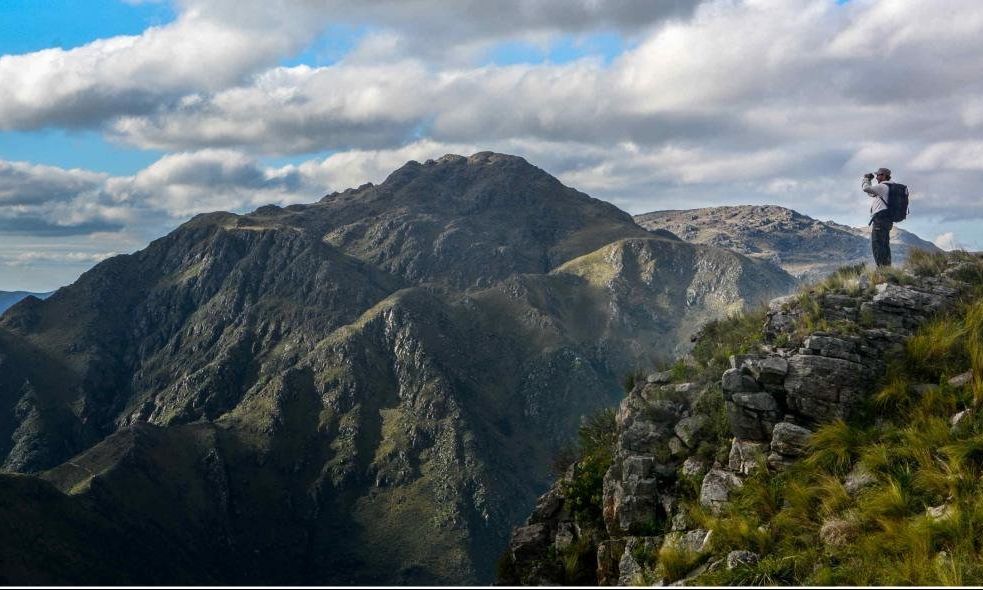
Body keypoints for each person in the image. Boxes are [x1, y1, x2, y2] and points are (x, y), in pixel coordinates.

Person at [862, 167, 894, 267]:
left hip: (880, 219)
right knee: (884, 245)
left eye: (878, 175)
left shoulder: (883, 187)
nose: (876, 177)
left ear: (884, 176)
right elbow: (871, 193)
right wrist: (870, 182)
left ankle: (881, 270)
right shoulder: (890, 187)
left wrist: (866, 179)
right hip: (887, 220)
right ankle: (887, 269)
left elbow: (866, 189)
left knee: (877, 245)